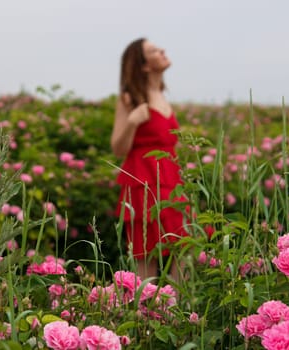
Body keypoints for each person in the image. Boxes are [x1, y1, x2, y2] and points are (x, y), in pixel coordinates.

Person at [111, 38, 187, 280]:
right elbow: (118, 149)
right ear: (143, 65)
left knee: (185, 245)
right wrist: (133, 120)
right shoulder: (129, 98)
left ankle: (176, 309)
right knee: (147, 254)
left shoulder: (162, 96)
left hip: (171, 181)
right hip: (143, 181)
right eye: (154, 51)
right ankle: (147, 312)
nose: (163, 51)